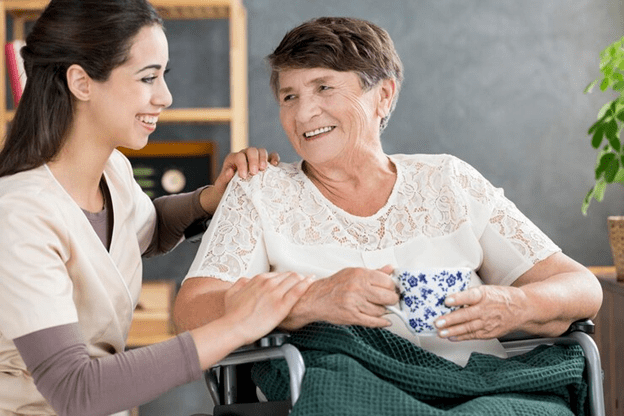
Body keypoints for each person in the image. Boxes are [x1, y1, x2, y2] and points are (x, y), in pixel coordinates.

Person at [174, 16, 603, 368]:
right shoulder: (260, 191)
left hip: (475, 385)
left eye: (324, 87)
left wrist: (517, 304)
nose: (303, 113)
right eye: (289, 96)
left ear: (382, 95)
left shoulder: (448, 180)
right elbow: (191, 313)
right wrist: (310, 301)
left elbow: (581, 286)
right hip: (340, 391)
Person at [0, 1, 312, 415]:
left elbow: (146, 228)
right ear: (81, 82)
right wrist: (236, 325)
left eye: (164, 76)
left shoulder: (112, 170)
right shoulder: (19, 214)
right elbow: (76, 391)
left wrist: (210, 198)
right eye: (148, 77)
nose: (165, 96)